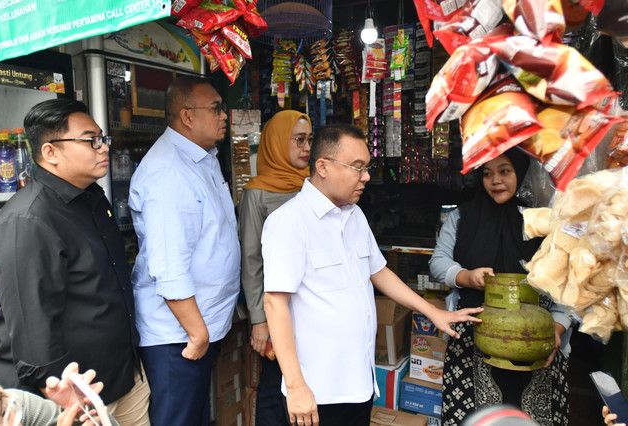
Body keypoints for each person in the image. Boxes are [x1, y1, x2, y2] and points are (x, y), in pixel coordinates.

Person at [261, 123, 483, 426]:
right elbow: (275, 304)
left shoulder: (354, 215)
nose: (366, 176)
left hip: (359, 383)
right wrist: (296, 386)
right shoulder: (288, 223)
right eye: (357, 167)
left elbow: (379, 272)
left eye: (367, 167)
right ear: (323, 167)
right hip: (318, 390)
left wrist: (432, 312)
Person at [0, 99, 149, 426]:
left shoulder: (92, 199)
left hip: (121, 377)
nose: (103, 147)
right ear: (50, 152)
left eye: (102, 138)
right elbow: (34, 335)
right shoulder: (26, 221)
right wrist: (71, 407)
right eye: (90, 140)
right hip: (72, 400)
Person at [428, 148, 573, 426]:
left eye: (505, 171)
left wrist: (556, 328)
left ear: (521, 173)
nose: (495, 181)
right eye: (487, 173)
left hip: (536, 339)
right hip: (471, 339)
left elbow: (566, 280)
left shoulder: (543, 220)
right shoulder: (463, 217)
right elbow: (438, 262)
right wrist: (466, 277)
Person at [129, 76, 240, 426]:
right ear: (187, 116)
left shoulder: (202, 158)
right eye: (217, 108)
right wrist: (198, 333)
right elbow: (169, 265)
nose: (225, 116)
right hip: (178, 336)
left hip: (197, 327)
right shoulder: (168, 173)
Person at [238, 110, 312, 426]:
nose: (307, 147)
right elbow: (251, 259)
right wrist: (258, 319)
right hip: (275, 309)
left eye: (310, 139)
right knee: (274, 386)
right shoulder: (257, 192)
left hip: (310, 306)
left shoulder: (313, 183)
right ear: (278, 143)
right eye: (298, 140)